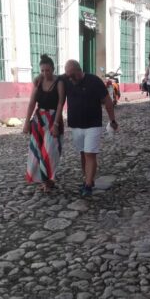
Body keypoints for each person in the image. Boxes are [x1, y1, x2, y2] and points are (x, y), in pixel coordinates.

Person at [64, 59, 118, 197]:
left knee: (90, 153)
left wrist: (112, 120)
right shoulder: (67, 80)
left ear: (79, 70)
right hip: (76, 125)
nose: (70, 78)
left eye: (72, 75)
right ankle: (87, 178)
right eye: (67, 75)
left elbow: (107, 101)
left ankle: (88, 185)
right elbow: (50, 78)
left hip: (93, 124)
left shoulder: (94, 81)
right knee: (83, 153)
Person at [23, 54, 65, 192]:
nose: (45, 73)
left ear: (53, 69)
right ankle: (43, 180)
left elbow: (60, 103)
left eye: (47, 70)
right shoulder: (39, 82)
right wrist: (26, 122)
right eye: (42, 70)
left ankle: (49, 180)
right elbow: (31, 103)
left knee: (50, 151)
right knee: (37, 151)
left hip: (53, 119)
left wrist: (56, 124)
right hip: (38, 120)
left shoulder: (59, 82)